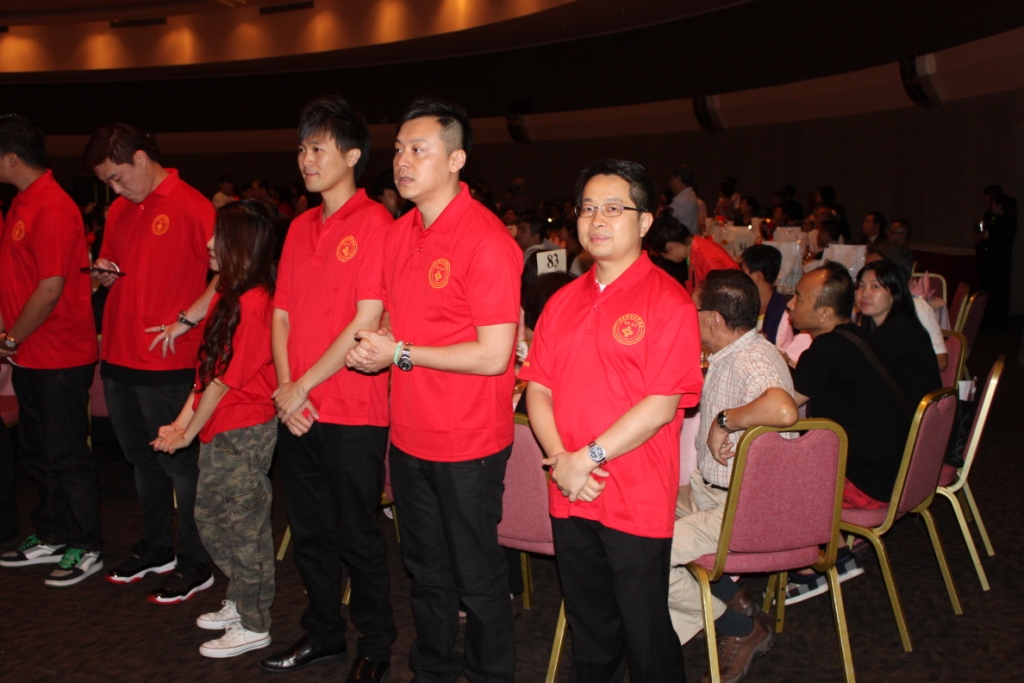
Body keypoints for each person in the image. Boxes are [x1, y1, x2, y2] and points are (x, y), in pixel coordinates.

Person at [347, 97, 522, 682]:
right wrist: (378, 343)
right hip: (410, 434)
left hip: (468, 440)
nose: (402, 160)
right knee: (425, 571)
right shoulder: (400, 233)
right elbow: (396, 317)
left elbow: (494, 355)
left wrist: (399, 352)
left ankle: (490, 675)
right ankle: (433, 671)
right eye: (398, 149)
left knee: (477, 576)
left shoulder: (485, 239)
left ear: (455, 160)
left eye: (418, 149)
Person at [520, 159, 703, 681]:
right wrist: (563, 461)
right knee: (590, 631)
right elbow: (538, 388)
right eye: (587, 209)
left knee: (645, 633)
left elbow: (661, 405)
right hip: (571, 490)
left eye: (613, 209)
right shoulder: (561, 301)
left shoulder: (667, 301)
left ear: (644, 222)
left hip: (634, 496)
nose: (597, 220)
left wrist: (587, 457)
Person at [259, 96, 397, 682]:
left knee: (357, 535)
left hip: (351, 410)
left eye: (318, 148)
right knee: (310, 534)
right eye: (302, 148)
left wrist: (303, 386)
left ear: (353, 155)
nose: (306, 159)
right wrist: (287, 389)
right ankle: (323, 634)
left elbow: (366, 318)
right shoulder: (297, 227)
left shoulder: (375, 223)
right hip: (299, 408)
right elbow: (280, 316)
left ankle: (377, 644)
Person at [86, 123, 218, 603]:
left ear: (141, 159)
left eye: (117, 177)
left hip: (168, 361)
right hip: (119, 355)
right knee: (142, 460)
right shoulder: (121, 210)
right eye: (107, 182)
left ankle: (197, 560)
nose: (115, 189)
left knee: (182, 467)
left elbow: (231, 273)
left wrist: (187, 318)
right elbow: (111, 265)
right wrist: (104, 274)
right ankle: (158, 545)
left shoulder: (193, 205)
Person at [151, 200, 278, 658]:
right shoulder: (230, 293)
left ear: (241, 244)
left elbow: (223, 381)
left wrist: (187, 432)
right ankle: (241, 599)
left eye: (218, 236)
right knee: (209, 519)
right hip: (218, 427)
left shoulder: (256, 302)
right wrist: (181, 423)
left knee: (245, 530)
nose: (208, 243)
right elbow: (208, 372)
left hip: (243, 431)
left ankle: (255, 622)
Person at [667, 270, 798, 682]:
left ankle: (740, 627)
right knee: (637, 513)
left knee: (642, 553)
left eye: (694, 309)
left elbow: (784, 409)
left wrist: (724, 421)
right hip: (715, 493)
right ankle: (732, 596)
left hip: (741, 507)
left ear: (714, 319)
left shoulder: (750, 361)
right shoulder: (740, 350)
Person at [0, 115, 101, 586]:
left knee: (66, 455)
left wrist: (10, 339)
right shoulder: (21, 202)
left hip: (58, 354)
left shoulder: (53, 206)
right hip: (30, 354)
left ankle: (86, 544)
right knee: (38, 452)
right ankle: (53, 533)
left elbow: (50, 288)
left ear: (11, 158)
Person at [783, 262, 913, 602]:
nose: (790, 304)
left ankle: (817, 563)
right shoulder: (857, 336)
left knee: (773, 471)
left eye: (798, 297)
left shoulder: (825, 350)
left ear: (825, 312)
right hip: (900, 471)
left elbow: (781, 411)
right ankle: (838, 551)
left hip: (870, 486)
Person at [855, 260, 941, 408]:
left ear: (894, 294)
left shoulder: (899, 328)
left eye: (875, 286)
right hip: (897, 407)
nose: (865, 293)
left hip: (912, 414)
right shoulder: (876, 325)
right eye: (861, 286)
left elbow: (856, 370)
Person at [864, 240, 948, 372]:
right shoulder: (870, 307)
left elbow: (941, 362)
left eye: (876, 270)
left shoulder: (917, 308)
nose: (867, 274)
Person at [647, 213, 740, 291]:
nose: (664, 258)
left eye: (662, 253)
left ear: (670, 247)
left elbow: (723, 296)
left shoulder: (707, 258)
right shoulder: (695, 249)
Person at [740, 244, 793, 346]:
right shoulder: (744, 304)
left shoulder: (784, 312)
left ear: (757, 276)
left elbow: (785, 352)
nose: (741, 277)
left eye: (744, 272)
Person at [668, 165, 700, 234]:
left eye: (671, 179)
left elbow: (666, 221)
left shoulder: (682, 200)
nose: (670, 183)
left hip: (683, 239)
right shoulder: (691, 194)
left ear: (678, 179)